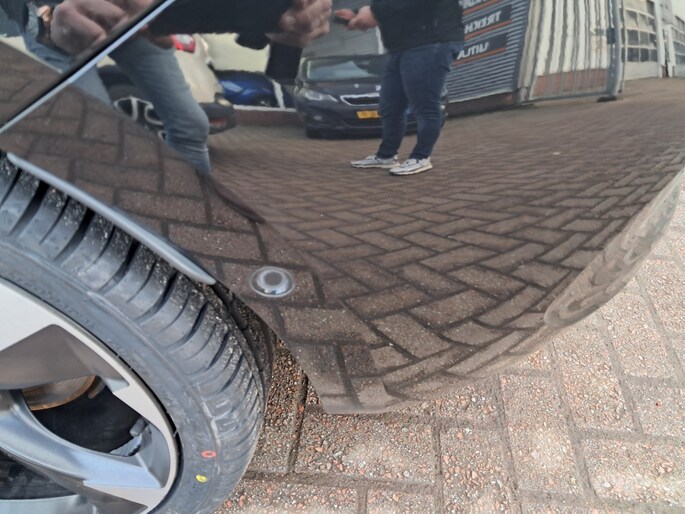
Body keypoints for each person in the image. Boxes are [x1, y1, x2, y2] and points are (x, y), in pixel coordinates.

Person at [336, 0, 464, 176]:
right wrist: (358, 13)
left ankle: (421, 157)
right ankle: (386, 155)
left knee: (425, 105)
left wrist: (374, 11)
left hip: (430, 41)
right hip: (401, 47)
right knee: (390, 106)